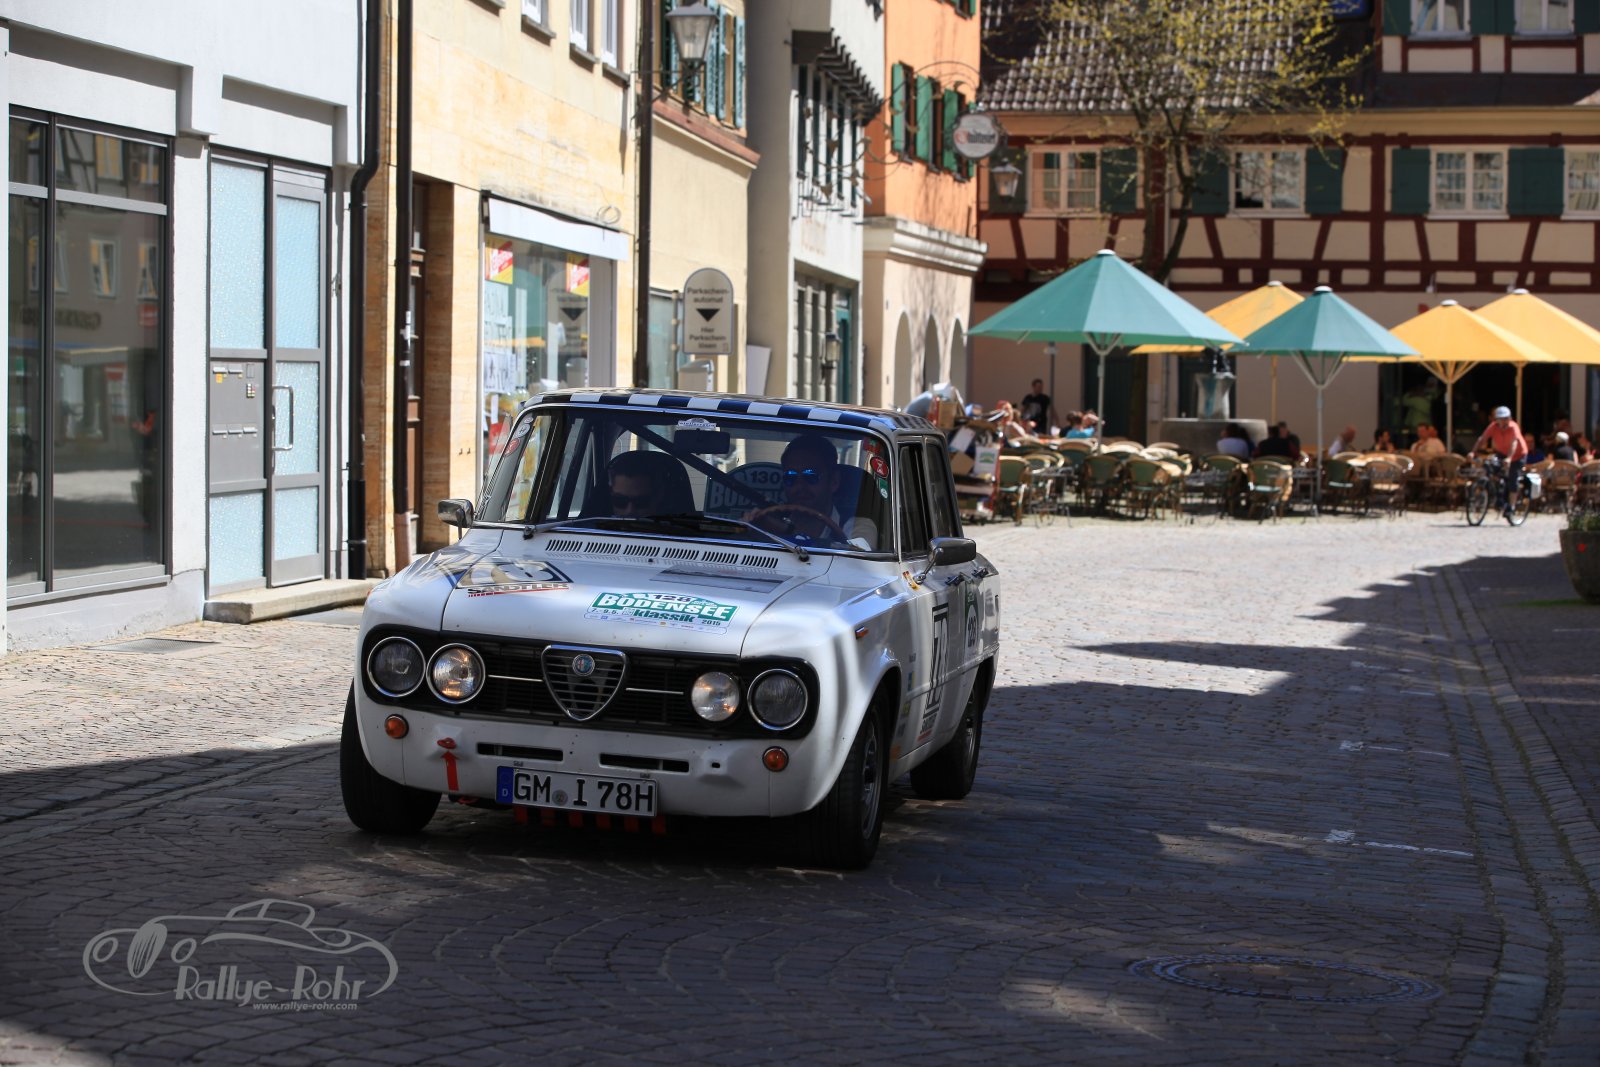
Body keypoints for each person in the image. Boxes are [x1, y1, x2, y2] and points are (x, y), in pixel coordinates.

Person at [750, 434, 879, 550]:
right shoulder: (771, 520)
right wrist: (752, 529)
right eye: (790, 477)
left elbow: (860, 559)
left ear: (833, 481)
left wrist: (784, 533)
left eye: (810, 476)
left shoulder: (856, 526)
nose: (800, 486)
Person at [1471, 405, 1530, 517]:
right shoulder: (1493, 427)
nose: (1503, 421)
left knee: (1513, 477)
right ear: (1496, 419)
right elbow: (1482, 439)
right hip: (1502, 452)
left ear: (1510, 418)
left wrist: (1509, 458)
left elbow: (1514, 443)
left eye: (1506, 418)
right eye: (1501, 418)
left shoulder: (1513, 427)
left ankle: (1512, 506)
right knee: (1491, 469)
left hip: (1518, 455)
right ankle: (1498, 495)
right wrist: (1473, 452)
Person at [606, 450, 689, 518]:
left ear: (659, 496)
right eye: (620, 501)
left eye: (641, 502)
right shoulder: (600, 528)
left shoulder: (676, 532)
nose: (630, 511)